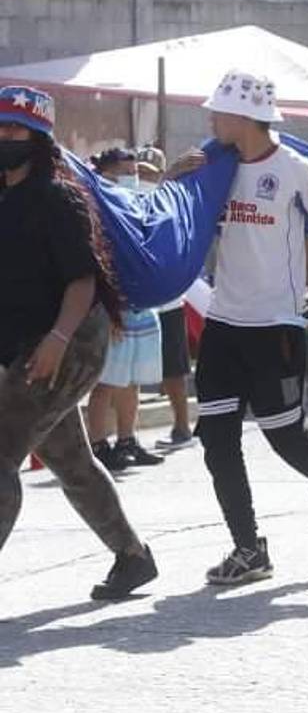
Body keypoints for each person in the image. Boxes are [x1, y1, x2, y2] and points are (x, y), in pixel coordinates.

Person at [192, 69, 308, 584]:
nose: (210, 118)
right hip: (223, 323)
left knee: (285, 436)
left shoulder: (294, 168)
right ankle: (248, 548)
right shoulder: (218, 164)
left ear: (244, 118)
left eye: (219, 111)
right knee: (217, 438)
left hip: (274, 326)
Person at [0, 85, 158, 600]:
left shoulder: (58, 197)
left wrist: (57, 341)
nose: (4, 138)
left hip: (68, 342)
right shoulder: (4, 196)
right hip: (28, 345)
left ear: (40, 138)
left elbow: (82, 282)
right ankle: (132, 557)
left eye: (14, 131)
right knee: (70, 460)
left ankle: (131, 554)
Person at [84, 148, 165, 472]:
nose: (132, 178)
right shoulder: (93, 209)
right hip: (111, 308)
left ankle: (127, 441)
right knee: (105, 381)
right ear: (105, 174)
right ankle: (98, 445)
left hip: (141, 309)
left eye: (135, 171)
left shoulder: (134, 204)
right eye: (125, 172)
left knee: (131, 381)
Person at [137, 145, 198, 452]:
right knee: (173, 368)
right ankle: (181, 426)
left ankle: (130, 435)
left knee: (135, 370)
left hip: (147, 298)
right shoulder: (168, 198)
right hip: (168, 296)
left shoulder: (137, 196)